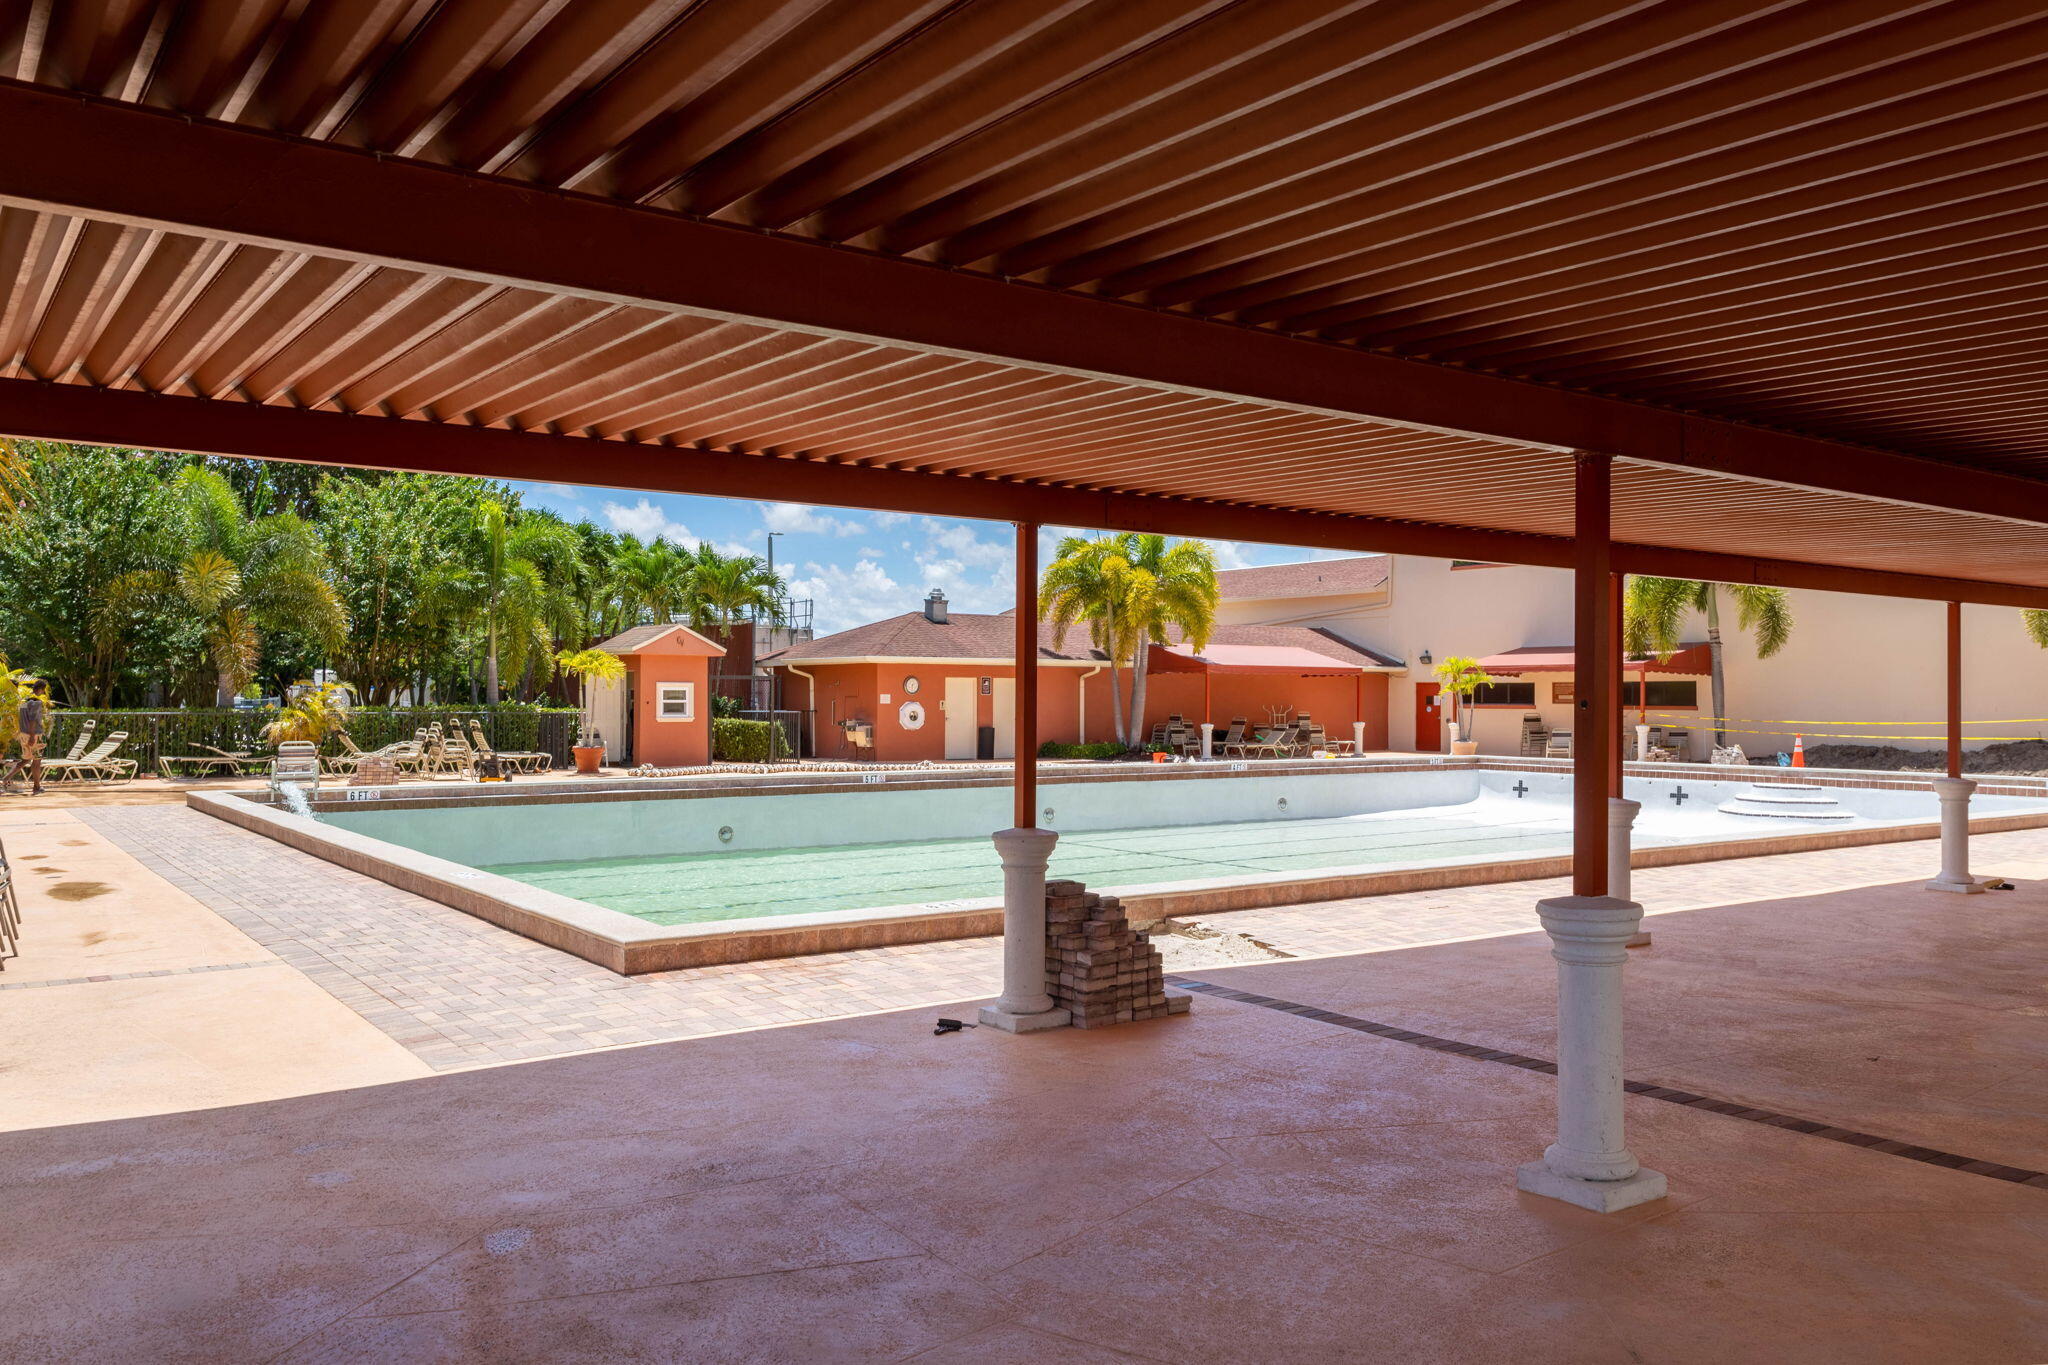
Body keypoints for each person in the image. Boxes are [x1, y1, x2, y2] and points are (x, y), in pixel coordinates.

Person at [4, 679, 48, 796]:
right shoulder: (36, 702)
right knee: (37, 761)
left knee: (26, 759)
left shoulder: (24, 701)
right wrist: (33, 736)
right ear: (41, 689)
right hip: (34, 734)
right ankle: (36, 787)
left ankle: (6, 778)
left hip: (23, 734)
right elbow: (33, 720)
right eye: (43, 690)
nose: (44, 693)